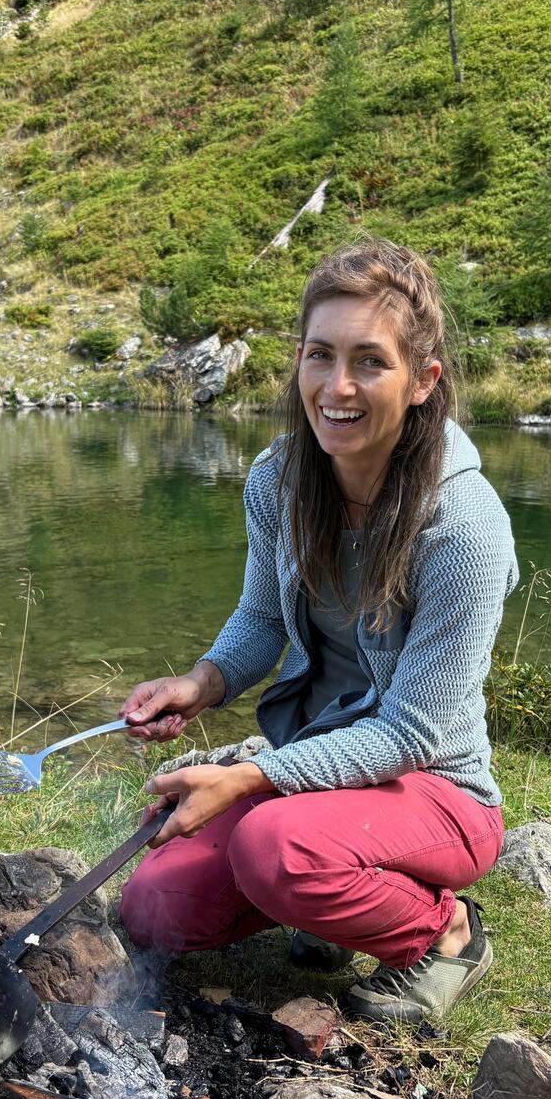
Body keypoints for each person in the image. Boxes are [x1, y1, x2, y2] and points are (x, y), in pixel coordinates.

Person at [115, 237, 519, 1023]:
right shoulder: (279, 478)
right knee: (153, 907)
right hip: (317, 774)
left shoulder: (465, 526)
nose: (337, 386)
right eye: (320, 355)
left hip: (437, 789)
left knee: (272, 848)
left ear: (423, 382)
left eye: (370, 362)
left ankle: (449, 931)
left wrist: (247, 779)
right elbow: (261, 620)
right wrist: (200, 683)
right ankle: (326, 889)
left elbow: (412, 733)